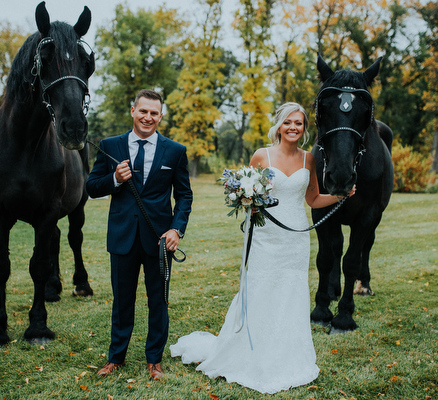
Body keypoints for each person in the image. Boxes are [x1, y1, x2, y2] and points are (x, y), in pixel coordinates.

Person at [170, 102, 355, 393]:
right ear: (279, 125)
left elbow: (313, 199)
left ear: (305, 128)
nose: (293, 128)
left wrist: (340, 195)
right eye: (288, 122)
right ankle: (251, 354)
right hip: (266, 237)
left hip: (296, 240)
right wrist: (247, 201)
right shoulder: (262, 155)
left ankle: (290, 357)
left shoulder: (309, 159)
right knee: (261, 291)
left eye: (299, 123)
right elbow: (246, 193)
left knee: (291, 294)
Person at [86, 89, 193, 380]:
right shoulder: (111, 146)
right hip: (122, 237)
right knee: (122, 301)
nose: (148, 117)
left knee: (158, 300)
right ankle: (115, 357)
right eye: (143, 111)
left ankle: (154, 360)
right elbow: (92, 187)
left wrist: (176, 229)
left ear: (161, 116)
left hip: (160, 240)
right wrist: (114, 179)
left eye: (154, 113)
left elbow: (184, 196)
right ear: (133, 110)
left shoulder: (175, 151)